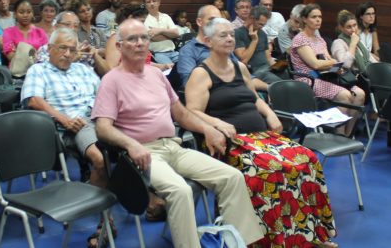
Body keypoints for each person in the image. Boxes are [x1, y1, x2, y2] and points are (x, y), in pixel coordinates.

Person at [92, 18, 266, 248]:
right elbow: (102, 128)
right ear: (119, 46)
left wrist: (207, 128)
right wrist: (131, 144)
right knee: (180, 190)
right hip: (143, 153)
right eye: (132, 39)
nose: (139, 43)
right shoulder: (111, 81)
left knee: (232, 177)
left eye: (144, 38)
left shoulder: (155, 75)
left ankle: (240, 243)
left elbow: (181, 114)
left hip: (173, 146)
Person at [185, 18, 338, 248]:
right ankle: (267, 240)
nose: (229, 39)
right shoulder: (201, 73)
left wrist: (270, 114)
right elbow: (192, 111)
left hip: (262, 137)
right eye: (222, 35)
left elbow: (255, 98)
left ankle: (307, 233)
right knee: (268, 169)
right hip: (230, 141)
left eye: (231, 35)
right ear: (207, 41)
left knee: (306, 159)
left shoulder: (240, 67)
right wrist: (217, 123)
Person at [21, 27, 110, 247]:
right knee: (99, 159)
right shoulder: (39, 70)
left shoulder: (82, 69)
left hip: (98, 119)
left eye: (72, 50)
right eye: (63, 48)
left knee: (138, 144)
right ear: (50, 49)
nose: (68, 54)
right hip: (73, 126)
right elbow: (33, 100)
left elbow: (103, 95)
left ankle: (150, 199)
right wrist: (64, 119)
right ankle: (105, 223)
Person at [290, 4, 365, 136]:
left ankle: (347, 135)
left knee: (359, 94)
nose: (318, 20)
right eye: (314, 17)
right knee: (345, 96)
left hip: (326, 76)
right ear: (305, 19)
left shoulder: (320, 40)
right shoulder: (300, 39)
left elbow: (327, 61)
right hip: (308, 79)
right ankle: (338, 133)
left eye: (320, 17)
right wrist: (333, 63)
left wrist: (336, 67)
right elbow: (315, 64)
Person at [105, 3, 172, 72]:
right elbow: (111, 69)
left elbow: (144, 63)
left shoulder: (138, 39)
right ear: (130, 18)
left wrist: (162, 66)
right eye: (141, 21)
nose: (143, 25)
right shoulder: (115, 38)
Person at [234, 5, 282, 85]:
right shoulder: (238, 33)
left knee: (289, 76)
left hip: (268, 69)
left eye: (263, 25)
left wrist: (280, 66)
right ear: (252, 18)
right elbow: (244, 60)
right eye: (260, 24)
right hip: (256, 72)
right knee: (282, 84)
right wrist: (254, 41)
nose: (262, 27)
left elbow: (268, 59)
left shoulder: (262, 34)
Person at [2, 0, 48, 70]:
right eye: (21, 12)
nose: (25, 15)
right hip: (16, 73)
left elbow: (46, 55)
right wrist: (34, 55)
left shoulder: (40, 32)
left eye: (29, 12)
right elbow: (11, 56)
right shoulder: (8, 32)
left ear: (32, 13)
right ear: (15, 14)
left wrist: (20, 51)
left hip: (39, 71)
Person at [143, 0, 180, 64]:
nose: (152, 4)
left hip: (173, 52)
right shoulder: (144, 19)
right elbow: (153, 37)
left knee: (187, 64)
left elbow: (176, 33)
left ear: (159, 2)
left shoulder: (166, 17)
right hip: (158, 54)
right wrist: (170, 35)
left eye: (154, 1)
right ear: (145, 4)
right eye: (148, 2)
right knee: (170, 70)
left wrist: (160, 31)